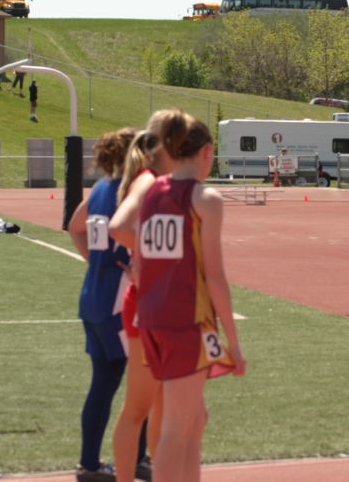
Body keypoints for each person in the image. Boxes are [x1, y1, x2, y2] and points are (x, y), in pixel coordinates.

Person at [134, 109, 246, 482]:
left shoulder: (150, 191)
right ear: (207, 152)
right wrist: (234, 340)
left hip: (154, 319)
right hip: (185, 322)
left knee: (194, 421)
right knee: (177, 429)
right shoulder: (205, 199)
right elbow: (215, 278)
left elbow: (139, 255)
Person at [67, 128, 146, 482]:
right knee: (142, 383)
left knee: (103, 381)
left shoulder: (100, 188)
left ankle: (91, 462)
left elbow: (74, 226)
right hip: (118, 300)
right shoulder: (129, 192)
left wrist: (93, 261)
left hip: (92, 295)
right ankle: (136, 458)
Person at [109, 112, 174, 482]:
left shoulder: (153, 182)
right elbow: (119, 227)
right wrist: (152, 257)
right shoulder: (147, 182)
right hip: (146, 305)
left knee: (159, 403)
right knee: (138, 406)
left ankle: (157, 470)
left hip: (156, 303)